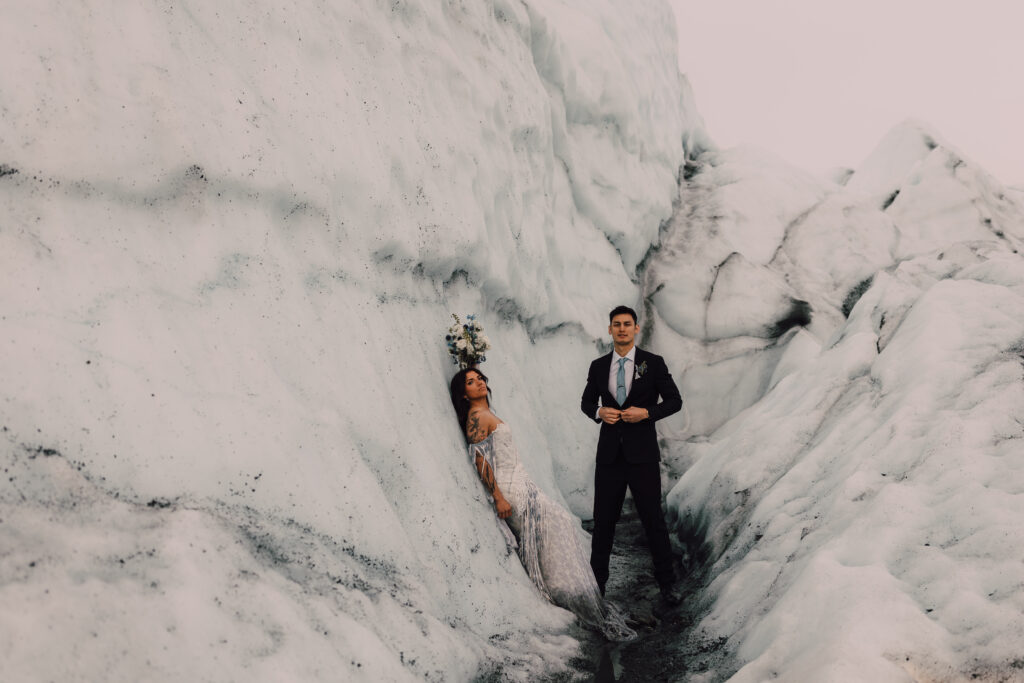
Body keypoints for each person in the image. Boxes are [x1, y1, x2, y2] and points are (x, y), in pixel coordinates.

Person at [450, 367, 636, 641]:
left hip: (522, 482)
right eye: (470, 382)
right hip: (510, 489)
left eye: (479, 378)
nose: (478, 383)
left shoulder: (486, 412)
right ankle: (564, 593)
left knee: (557, 526)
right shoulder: (476, 416)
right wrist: (499, 497)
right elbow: (481, 459)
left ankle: (573, 591)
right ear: (463, 394)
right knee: (556, 525)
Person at [580, 305, 684, 606]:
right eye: (617, 324)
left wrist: (647, 413)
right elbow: (586, 402)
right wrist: (600, 411)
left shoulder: (653, 363)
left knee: (653, 520)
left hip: (643, 456)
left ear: (636, 329)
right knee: (603, 523)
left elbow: (675, 401)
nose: (622, 329)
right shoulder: (598, 366)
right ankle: (597, 587)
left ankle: (668, 585)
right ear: (610, 329)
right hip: (609, 457)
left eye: (627, 324)